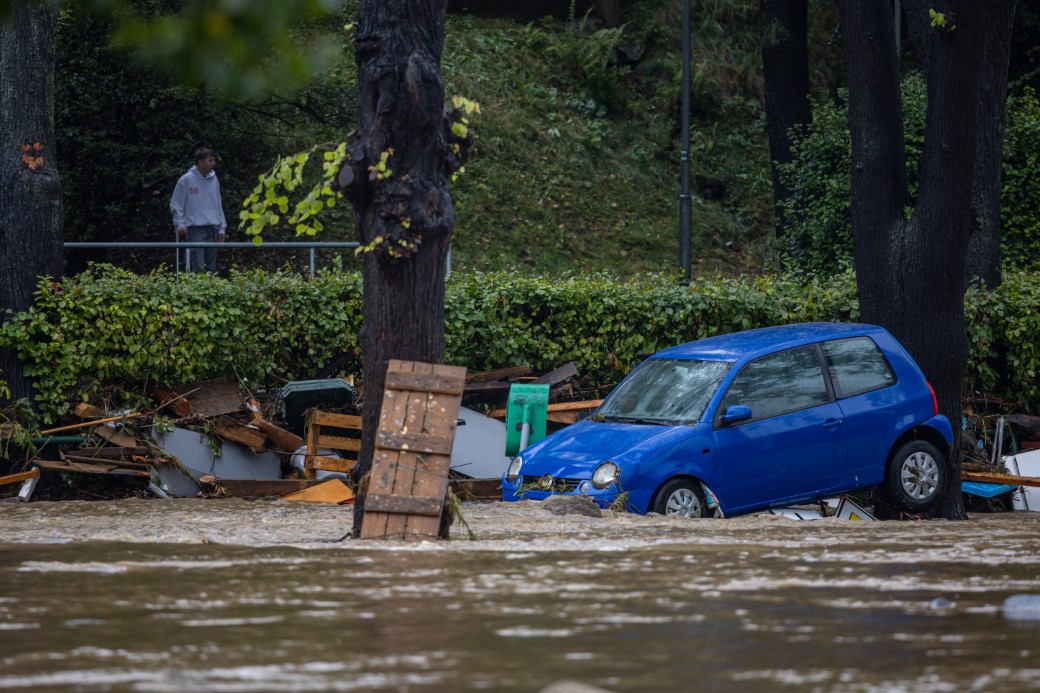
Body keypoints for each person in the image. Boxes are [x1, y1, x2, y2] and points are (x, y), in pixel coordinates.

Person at [170, 147, 227, 273]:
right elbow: (176, 204)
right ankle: (196, 292)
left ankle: (210, 292)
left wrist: (222, 227)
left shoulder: (214, 179)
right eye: (210, 160)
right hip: (195, 228)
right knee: (198, 266)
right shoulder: (186, 180)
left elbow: (218, 204)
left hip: (213, 228)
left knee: (211, 268)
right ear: (200, 162)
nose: (214, 163)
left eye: (214, 160)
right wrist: (180, 224)